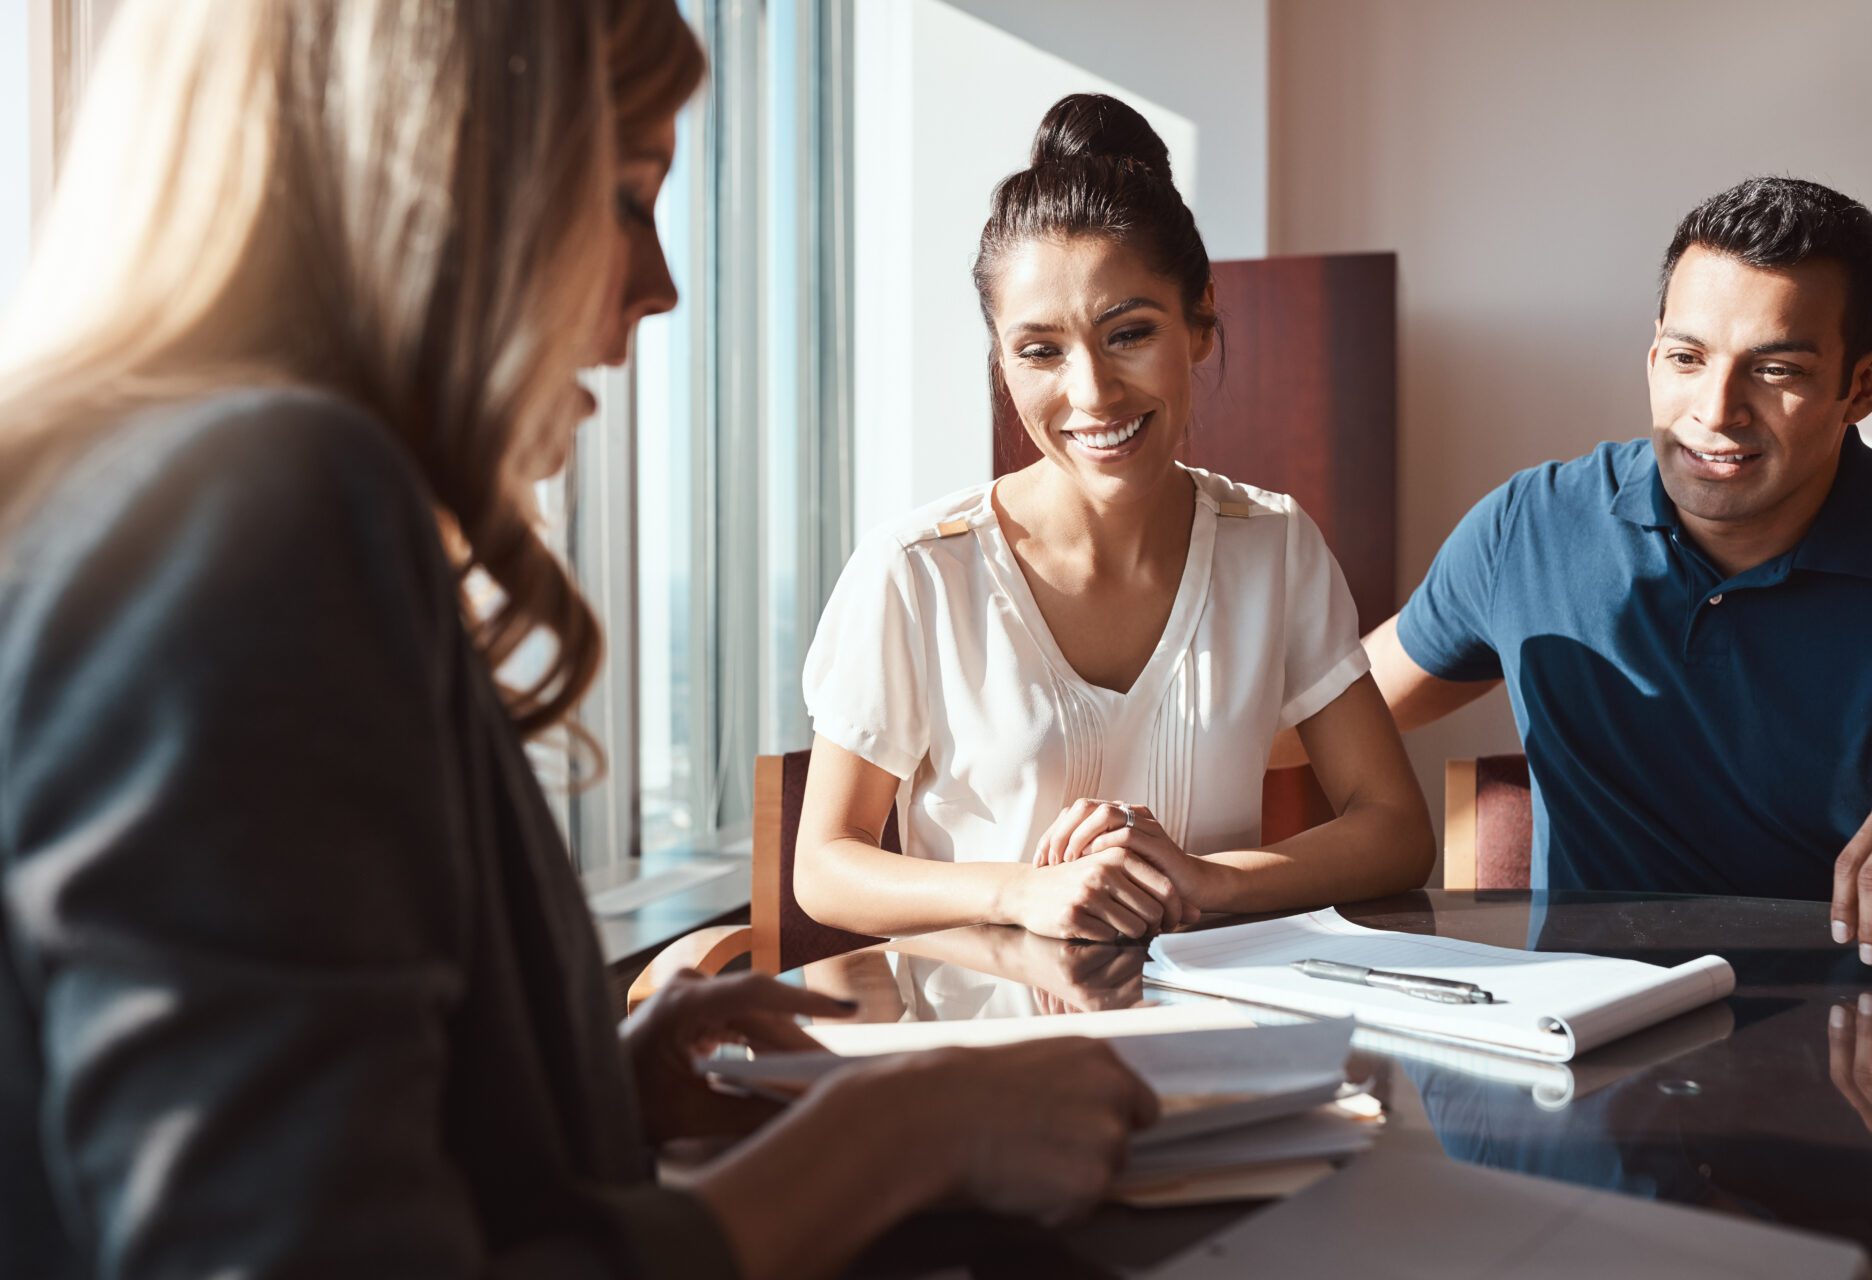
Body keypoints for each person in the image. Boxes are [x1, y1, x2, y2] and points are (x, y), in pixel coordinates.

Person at [0, 4, 1161, 1278]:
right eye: (624, 195)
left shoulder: (162, 500)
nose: (658, 287)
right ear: (430, 186)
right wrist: (898, 1136)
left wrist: (595, 1086)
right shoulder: (258, 509)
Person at [795, 94, 1433, 944]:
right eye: (1039, 350)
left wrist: (1208, 883)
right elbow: (824, 864)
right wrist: (1022, 893)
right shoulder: (917, 571)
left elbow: (1395, 827)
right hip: (987, 1055)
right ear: (1001, 358)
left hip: (1216, 1046)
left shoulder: (1271, 546)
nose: (1091, 393)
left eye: (1127, 333)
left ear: (1200, 321)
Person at [1274, 177, 1872, 972]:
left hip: (1861, 1061)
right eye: (1687, 357)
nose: (1716, 409)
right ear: (1654, 355)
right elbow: (1310, 718)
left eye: (1776, 370)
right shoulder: (1532, 527)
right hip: (1590, 1056)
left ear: (1865, 384)